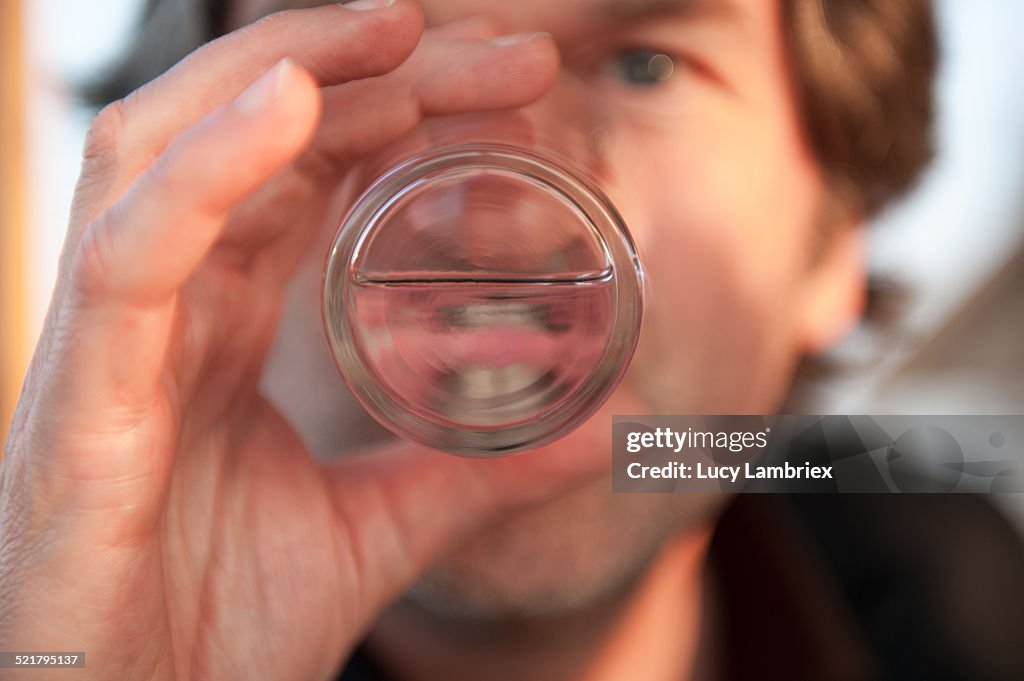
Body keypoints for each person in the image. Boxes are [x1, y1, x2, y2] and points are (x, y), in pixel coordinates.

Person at [3, 0, 1023, 679]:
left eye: (645, 64)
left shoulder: (973, 604)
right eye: (356, 68)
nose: (497, 213)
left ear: (836, 238)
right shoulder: (44, 626)